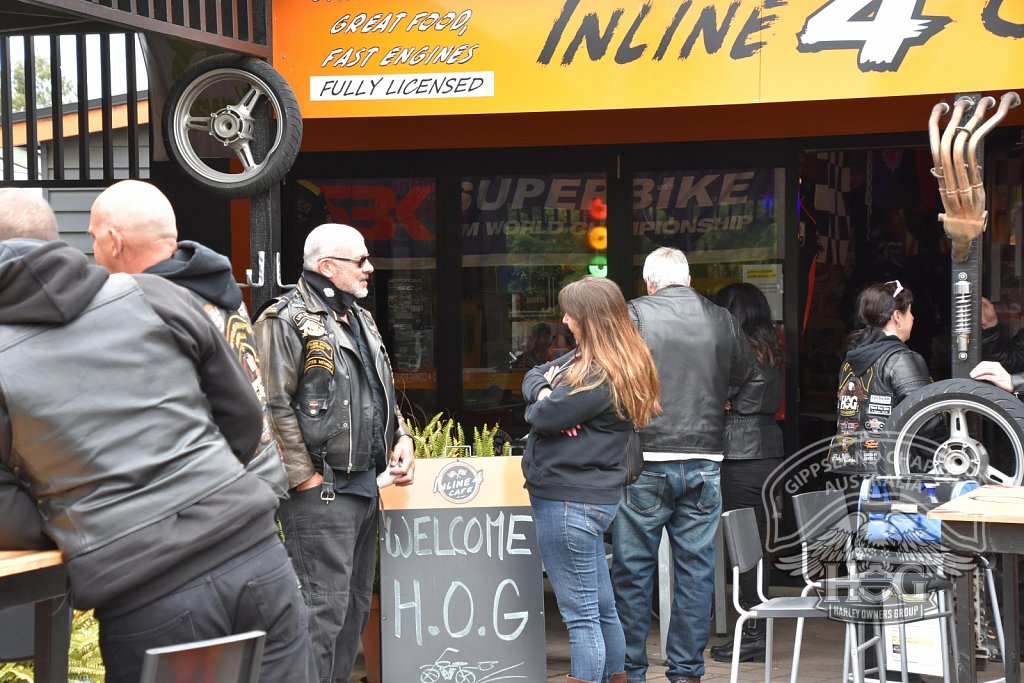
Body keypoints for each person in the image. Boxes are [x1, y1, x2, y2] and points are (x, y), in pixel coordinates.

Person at [0, 199, 314, 683]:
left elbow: (5, 509)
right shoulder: (152, 294)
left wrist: (77, 522)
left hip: (144, 591)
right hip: (254, 557)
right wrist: (203, 486)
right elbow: (244, 417)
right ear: (58, 240)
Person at [253, 222, 416, 683]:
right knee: (319, 612)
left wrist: (401, 437)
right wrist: (306, 479)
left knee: (352, 610)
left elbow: (376, 389)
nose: (370, 268)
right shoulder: (283, 319)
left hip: (364, 486)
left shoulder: (358, 316)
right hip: (322, 492)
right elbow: (270, 405)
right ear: (327, 267)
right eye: (359, 260)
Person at [611, 247, 757, 683]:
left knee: (632, 570)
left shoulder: (634, 313)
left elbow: (610, 373)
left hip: (646, 458)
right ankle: (687, 672)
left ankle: (631, 669)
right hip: (705, 458)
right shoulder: (721, 318)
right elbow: (746, 373)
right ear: (688, 280)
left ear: (650, 283)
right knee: (696, 569)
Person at [88, 179, 287, 497]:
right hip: (259, 470)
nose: (93, 250)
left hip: (213, 492)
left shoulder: (145, 305)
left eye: (94, 237)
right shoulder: (216, 286)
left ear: (113, 241)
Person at [521, 276, 661, 683]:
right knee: (601, 610)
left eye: (570, 312)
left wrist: (548, 403)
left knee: (581, 619)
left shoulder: (597, 373)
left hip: (567, 502)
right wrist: (548, 392)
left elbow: (541, 416)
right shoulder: (600, 359)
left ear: (590, 317)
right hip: (588, 499)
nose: (564, 320)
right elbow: (534, 374)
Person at [709, 282, 786, 664]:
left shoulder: (739, 351)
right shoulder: (770, 348)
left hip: (740, 454)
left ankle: (751, 633)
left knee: (744, 550)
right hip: (768, 449)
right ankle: (755, 629)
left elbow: (717, 396)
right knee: (755, 548)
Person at [827, 280, 931, 476]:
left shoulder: (850, 358)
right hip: (893, 471)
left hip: (848, 470)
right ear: (897, 316)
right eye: (909, 312)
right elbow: (926, 420)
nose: (913, 318)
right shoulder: (902, 359)